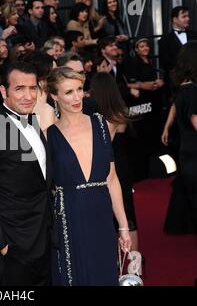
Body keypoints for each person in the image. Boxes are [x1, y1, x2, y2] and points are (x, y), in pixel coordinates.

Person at [0, 61, 54, 286]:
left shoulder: (32, 122)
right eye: (19, 88)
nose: (28, 96)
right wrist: (1, 243)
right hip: (13, 246)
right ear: (3, 91)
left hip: (44, 237)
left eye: (33, 88)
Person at [46, 67, 131, 285]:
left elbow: (111, 179)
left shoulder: (101, 124)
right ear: (54, 96)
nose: (77, 97)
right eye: (68, 92)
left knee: (104, 273)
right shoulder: (49, 135)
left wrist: (123, 226)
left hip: (101, 213)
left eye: (79, 89)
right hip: (70, 216)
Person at [86, 72, 140, 252]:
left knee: (107, 215)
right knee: (127, 215)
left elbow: (103, 143)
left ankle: (115, 262)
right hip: (121, 166)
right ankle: (135, 266)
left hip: (105, 168)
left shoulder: (92, 115)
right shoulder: (119, 110)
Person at [164, 41, 197, 234]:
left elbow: (175, 107)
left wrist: (166, 128)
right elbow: (195, 119)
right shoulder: (194, 90)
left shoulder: (182, 88)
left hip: (186, 148)